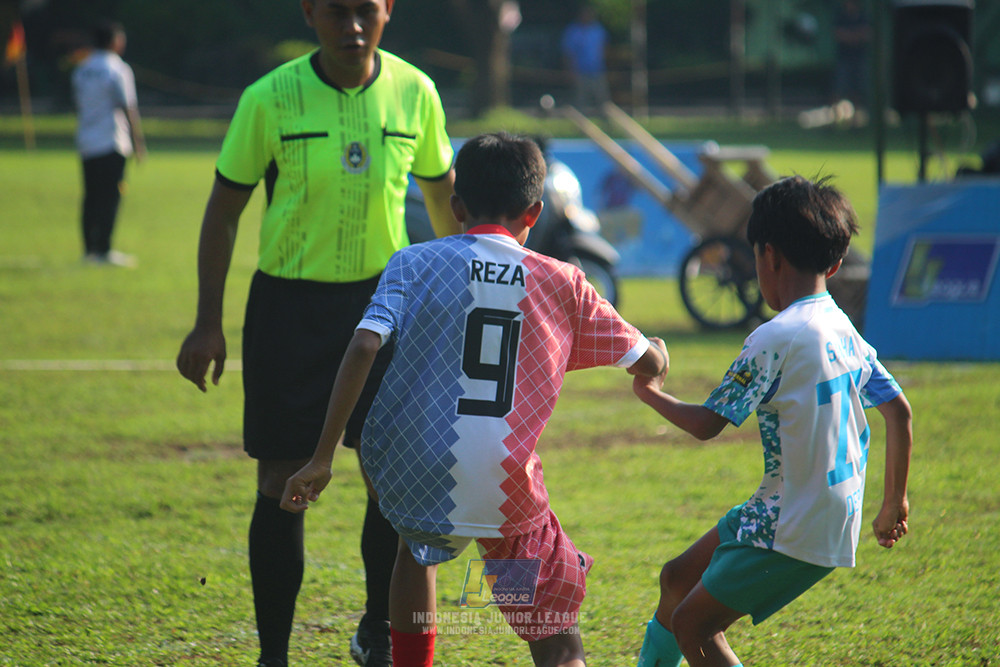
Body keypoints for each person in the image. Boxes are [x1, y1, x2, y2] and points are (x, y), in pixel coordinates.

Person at [279, 132, 669, 667]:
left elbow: (366, 341)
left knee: (415, 552)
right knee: (556, 641)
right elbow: (643, 359)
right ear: (534, 212)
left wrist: (322, 457)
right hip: (506, 484)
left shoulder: (412, 263)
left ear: (457, 205)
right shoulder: (563, 281)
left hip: (419, 472)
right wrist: (660, 360)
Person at [174, 1, 459, 666]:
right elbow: (223, 212)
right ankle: (274, 653)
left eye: (367, 9)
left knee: (388, 478)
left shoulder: (416, 91)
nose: (352, 25)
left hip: (388, 305)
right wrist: (207, 319)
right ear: (310, 12)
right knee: (280, 477)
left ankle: (375, 631)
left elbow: (445, 198)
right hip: (287, 309)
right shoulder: (268, 98)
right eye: (336, 10)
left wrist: (462, 291)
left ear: (389, 9)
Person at [634, 175, 913, 667]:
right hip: (801, 509)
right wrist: (894, 501)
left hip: (794, 522)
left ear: (769, 256)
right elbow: (898, 410)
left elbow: (706, 424)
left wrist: (649, 391)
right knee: (676, 579)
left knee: (693, 626)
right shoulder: (839, 324)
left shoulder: (775, 336)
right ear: (836, 261)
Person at [71, 19, 145, 267]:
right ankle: (103, 249)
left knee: (90, 196)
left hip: (86, 140)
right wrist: (138, 142)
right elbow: (128, 106)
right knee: (110, 196)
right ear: (114, 41)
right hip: (112, 140)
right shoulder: (118, 69)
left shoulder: (82, 68)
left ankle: (88, 249)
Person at [560, 5, 610, 114]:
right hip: (580, 72)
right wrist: (570, 70)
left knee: (602, 99)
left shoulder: (598, 30)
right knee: (581, 100)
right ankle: (581, 124)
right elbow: (568, 53)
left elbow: (604, 49)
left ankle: (606, 122)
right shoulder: (573, 31)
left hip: (598, 71)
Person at [832, 0, 871, 116]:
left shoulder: (863, 16)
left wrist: (849, 36)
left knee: (857, 91)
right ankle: (835, 118)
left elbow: (867, 34)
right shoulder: (841, 16)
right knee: (838, 90)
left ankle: (856, 119)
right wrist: (855, 36)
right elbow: (838, 34)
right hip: (844, 59)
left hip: (859, 58)